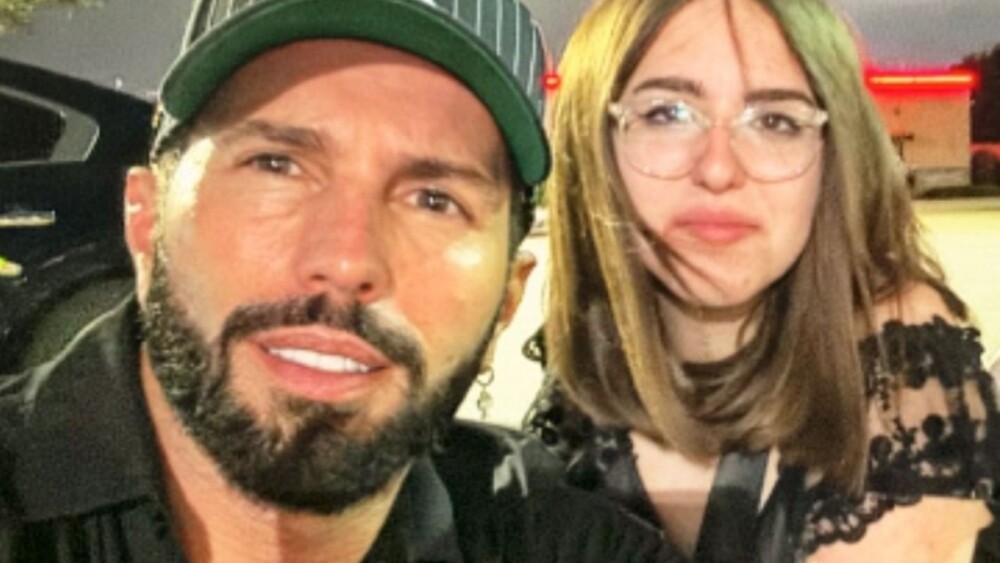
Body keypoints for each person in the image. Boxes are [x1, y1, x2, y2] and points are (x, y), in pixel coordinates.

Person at [0, 0, 688, 561]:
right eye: (277, 165)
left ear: (508, 298)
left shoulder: (556, 540)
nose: (348, 259)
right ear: (146, 220)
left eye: (434, 200)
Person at [524, 0, 1000, 560]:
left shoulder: (904, 362)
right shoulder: (579, 384)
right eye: (666, 113)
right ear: (591, 145)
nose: (719, 168)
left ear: (832, 159)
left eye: (776, 121)